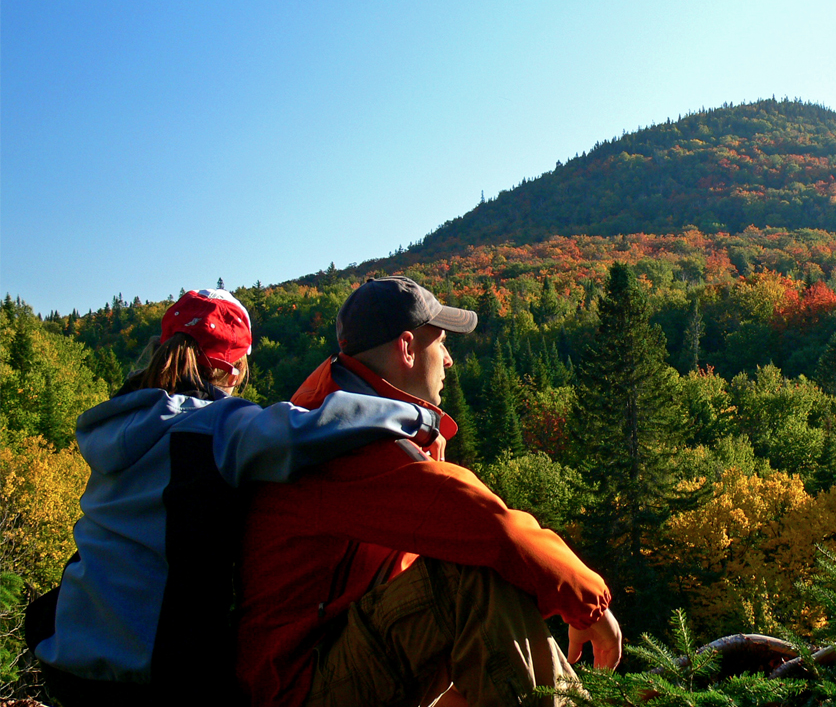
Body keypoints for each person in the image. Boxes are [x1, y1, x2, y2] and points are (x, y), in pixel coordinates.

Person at [26, 289, 446, 707]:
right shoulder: (213, 427)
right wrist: (421, 418)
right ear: (235, 372)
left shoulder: (113, 424)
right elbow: (314, 427)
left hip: (67, 652)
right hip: (148, 670)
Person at [236, 276, 620, 707]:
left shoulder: (335, 420)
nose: (449, 360)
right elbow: (495, 530)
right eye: (440, 343)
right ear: (406, 348)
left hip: (320, 664)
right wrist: (590, 606)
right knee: (469, 575)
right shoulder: (342, 442)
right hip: (299, 688)